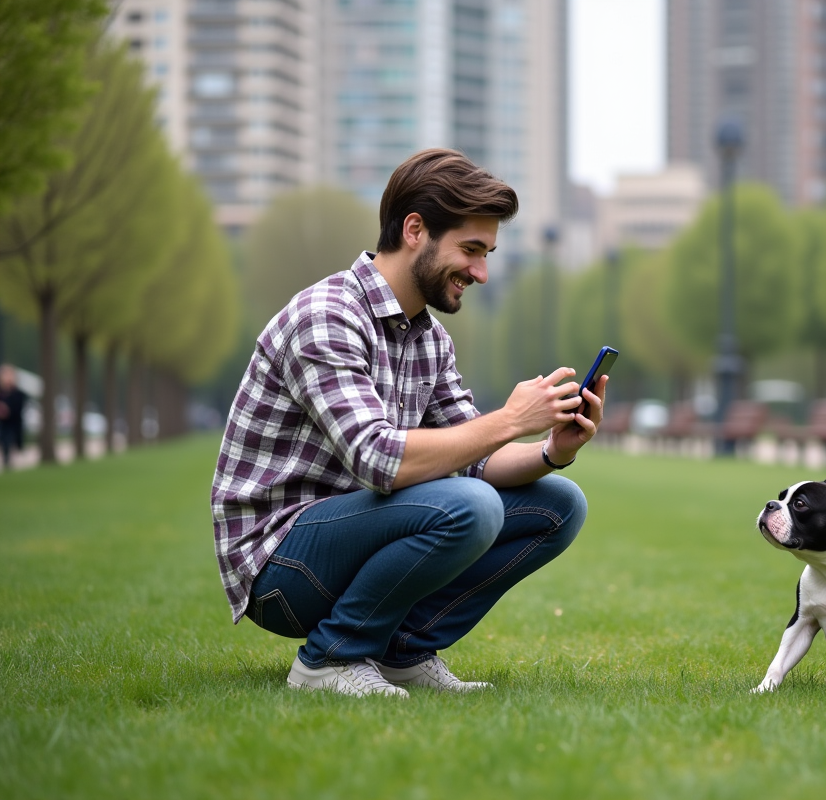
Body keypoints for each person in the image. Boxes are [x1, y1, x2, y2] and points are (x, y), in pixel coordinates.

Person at [211, 149, 606, 698]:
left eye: (487, 253)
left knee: (559, 502)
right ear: (415, 229)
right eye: (471, 250)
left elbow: (474, 460)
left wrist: (550, 451)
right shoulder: (326, 316)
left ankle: (402, 652)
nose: (481, 273)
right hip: (280, 567)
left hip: (356, 535)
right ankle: (328, 660)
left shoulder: (428, 338)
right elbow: (378, 459)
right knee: (472, 506)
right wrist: (511, 418)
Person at [0, 364, 28, 470]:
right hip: (3, 424)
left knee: (12, 441)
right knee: (5, 440)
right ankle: (7, 461)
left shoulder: (17, 393)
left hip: (14, 423)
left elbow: (18, 407)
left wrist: (7, 410)